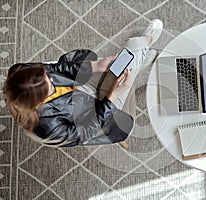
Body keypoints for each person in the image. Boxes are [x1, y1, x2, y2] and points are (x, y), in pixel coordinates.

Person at [3, 19, 163, 147]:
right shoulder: (47, 128)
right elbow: (85, 133)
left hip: (80, 85)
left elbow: (57, 68)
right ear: (38, 104)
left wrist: (95, 66)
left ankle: (144, 50)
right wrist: (112, 98)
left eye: (47, 77)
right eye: (50, 88)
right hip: (97, 112)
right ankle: (145, 51)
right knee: (135, 49)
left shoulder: (20, 71)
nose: (53, 80)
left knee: (134, 49)